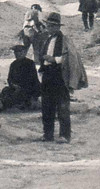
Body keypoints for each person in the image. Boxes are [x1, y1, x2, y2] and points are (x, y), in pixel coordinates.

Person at [39, 12, 71, 143]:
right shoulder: (47, 39)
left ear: (58, 27)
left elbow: (69, 57)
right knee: (47, 106)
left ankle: (64, 135)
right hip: (47, 75)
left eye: (52, 26)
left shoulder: (64, 40)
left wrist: (54, 59)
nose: (49, 28)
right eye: (48, 25)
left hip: (59, 76)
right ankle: (48, 134)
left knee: (62, 106)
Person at [1, 44, 41, 110]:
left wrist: (19, 86)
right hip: (16, 87)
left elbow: (31, 79)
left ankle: (5, 105)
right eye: (15, 52)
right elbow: (9, 78)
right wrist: (13, 85)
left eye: (19, 52)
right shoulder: (13, 64)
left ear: (24, 53)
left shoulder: (30, 63)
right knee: (5, 90)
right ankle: (3, 103)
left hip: (29, 87)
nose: (17, 54)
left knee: (19, 94)